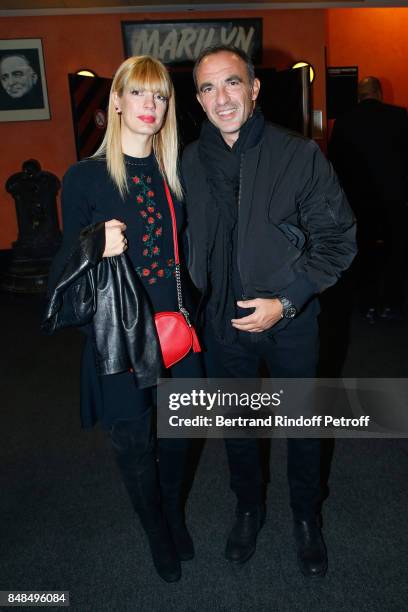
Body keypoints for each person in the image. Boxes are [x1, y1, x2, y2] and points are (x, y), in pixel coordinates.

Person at [182, 45, 357, 578]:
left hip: (290, 322)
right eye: (209, 88)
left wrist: (284, 303)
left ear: (254, 89)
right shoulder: (189, 159)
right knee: (238, 426)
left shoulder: (298, 154)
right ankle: (248, 508)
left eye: (232, 83)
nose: (222, 97)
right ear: (198, 99)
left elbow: (339, 241)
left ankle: (306, 516)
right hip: (222, 325)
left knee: (302, 424)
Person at [46, 56, 203, 583]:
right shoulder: (85, 177)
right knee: (136, 443)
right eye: (138, 94)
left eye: (160, 97)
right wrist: (95, 246)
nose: (150, 106)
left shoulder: (175, 172)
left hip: (175, 326)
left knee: (183, 433)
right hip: (121, 333)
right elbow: (59, 275)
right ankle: (155, 527)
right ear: (115, 101)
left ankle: (173, 511)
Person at [329, 76, 408, 321]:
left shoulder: (344, 121)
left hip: (359, 202)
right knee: (397, 252)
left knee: (362, 253)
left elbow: (334, 166)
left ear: (359, 95)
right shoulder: (400, 116)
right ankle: (393, 304)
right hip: (394, 200)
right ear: (380, 93)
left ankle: (367, 305)